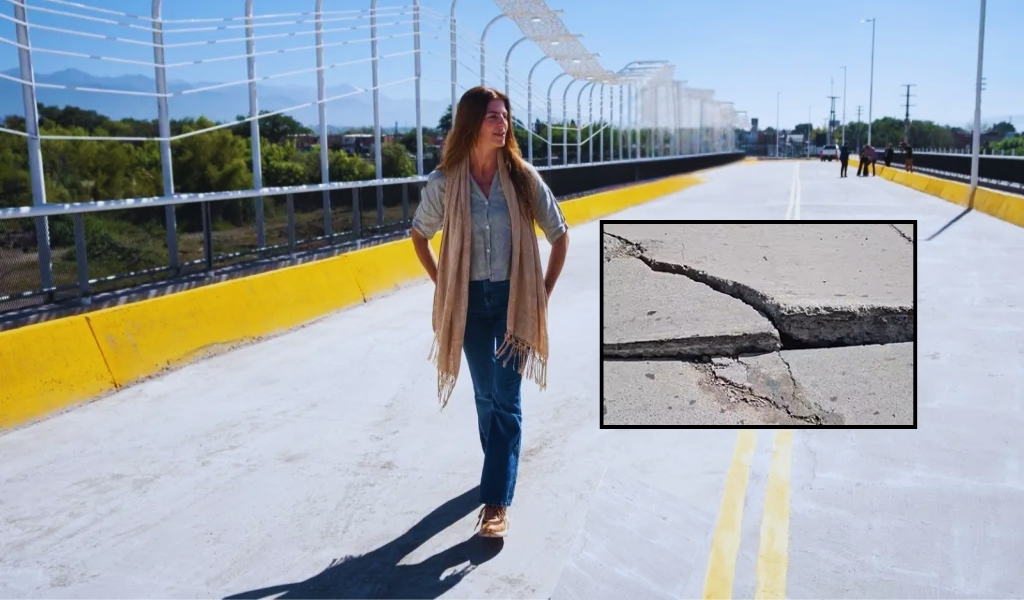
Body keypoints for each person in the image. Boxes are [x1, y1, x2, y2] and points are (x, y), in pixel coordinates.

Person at [409, 86, 570, 539]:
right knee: (485, 397)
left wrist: (542, 293)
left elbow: (560, 235)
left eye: (504, 116)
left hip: (512, 300)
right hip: (470, 306)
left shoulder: (521, 178)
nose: (502, 124)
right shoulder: (445, 183)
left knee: (507, 399)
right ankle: (497, 467)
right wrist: (444, 284)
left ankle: (496, 502)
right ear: (471, 123)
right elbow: (419, 235)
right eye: (492, 117)